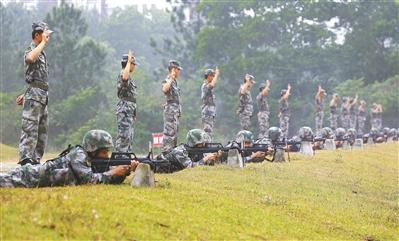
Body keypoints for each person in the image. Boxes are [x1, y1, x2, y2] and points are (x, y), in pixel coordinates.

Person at [0, 130, 139, 188]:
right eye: (104, 151)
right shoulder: (79, 155)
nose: (107, 156)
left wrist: (125, 171)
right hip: (29, 176)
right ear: (93, 149)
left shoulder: (91, 159)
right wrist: (114, 172)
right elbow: (89, 180)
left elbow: (105, 179)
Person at [15, 22, 53, 166]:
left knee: (41, 133)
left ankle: (35, 163)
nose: (48, 36)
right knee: (29, 130)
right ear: (37, 35)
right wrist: (42, 43)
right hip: (35, 97)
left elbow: (35, 77)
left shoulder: (42, 52)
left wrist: (26, 93)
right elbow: (30, 59)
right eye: (45, 34)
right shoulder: (31, 50)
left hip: (41, 96)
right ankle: (25, 163)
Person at [115, 50, 138, 152]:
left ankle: (126, 158)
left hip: (129, 110)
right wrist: (129, 61)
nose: (134, 66)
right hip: (124, 110)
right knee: (124, 136)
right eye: (133, 64)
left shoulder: (129, 77)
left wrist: (133, 114)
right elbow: (125, 77)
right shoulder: (123, 74)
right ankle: (120, 160)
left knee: (129, 136)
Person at [161, 60, 183, 153]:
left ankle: (172, 154)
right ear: (174, 69)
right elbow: (165, 89)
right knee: (169, 134)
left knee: (173, 134)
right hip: (171, 112)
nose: (179, 72)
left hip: (175, 112)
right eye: (178, 69)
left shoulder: (174, 82)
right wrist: (171, 77)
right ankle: (167, 154)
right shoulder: (168, 79)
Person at [201, 67, 220, 139]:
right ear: (208, 76)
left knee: (209, 130)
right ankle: (207, 147)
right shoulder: (205, 85)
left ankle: (208, 144)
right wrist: (217, 75)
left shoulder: (207, 85)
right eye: (212, 76)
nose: (213, 77)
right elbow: (212, 85)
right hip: (207, 111)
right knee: (208, 131)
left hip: (210, 112)